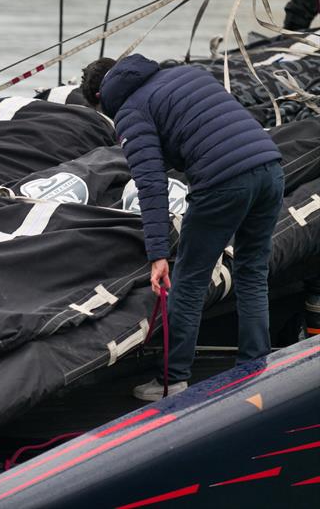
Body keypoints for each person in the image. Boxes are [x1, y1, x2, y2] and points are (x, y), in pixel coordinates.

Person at [80, 55, 284, 401]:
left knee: (189, 280)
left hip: (223, 183)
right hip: (270, 167)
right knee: (252, 271)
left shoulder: (130, 111)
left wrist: (158, 253)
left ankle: (172, 380)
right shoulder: (185, 73)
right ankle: (254, 365)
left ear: (101, 96)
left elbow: (151, 184)